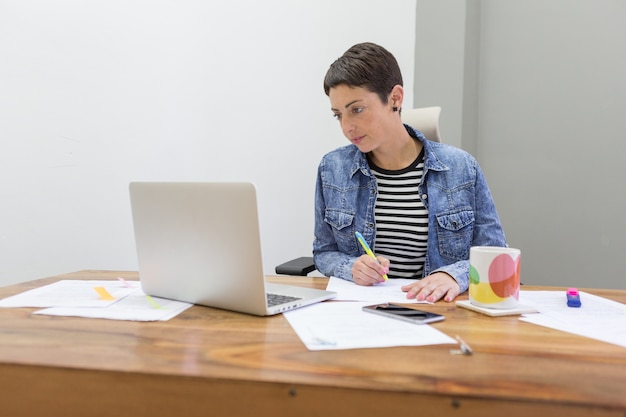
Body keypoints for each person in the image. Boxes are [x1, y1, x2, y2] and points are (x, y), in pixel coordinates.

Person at [313, 42, 506, 303]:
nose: (347, 127)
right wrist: (350, 267)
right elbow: (324, 252)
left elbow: (495, 253)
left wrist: (453, 276)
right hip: (361, 311)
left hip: (437, 311)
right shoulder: (332, 169)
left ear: (395, 98)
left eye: (356, 110)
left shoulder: (461, 167)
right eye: (338, 115)